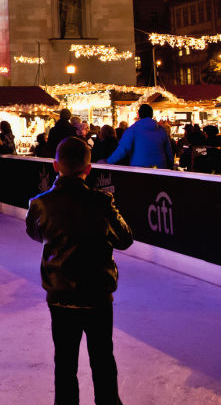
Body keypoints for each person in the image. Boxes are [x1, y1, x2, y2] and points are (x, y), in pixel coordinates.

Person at [27, 137, 132, 405]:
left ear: (55, 165)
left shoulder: (40, 203)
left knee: (64, 362)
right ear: (88, 169)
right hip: (97, 294)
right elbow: (125, 239)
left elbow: (35, 233)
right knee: (102, 358)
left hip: (60, 294)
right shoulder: (102, 202)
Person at [106, 104, 173, 169]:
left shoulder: (133, 130)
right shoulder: (161, 130)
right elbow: (168, 151)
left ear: (139, 115)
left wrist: (108, 161)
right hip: (160, 167)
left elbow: (123, 149)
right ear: (152, 115)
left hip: (140, 168)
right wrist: (170, 165)